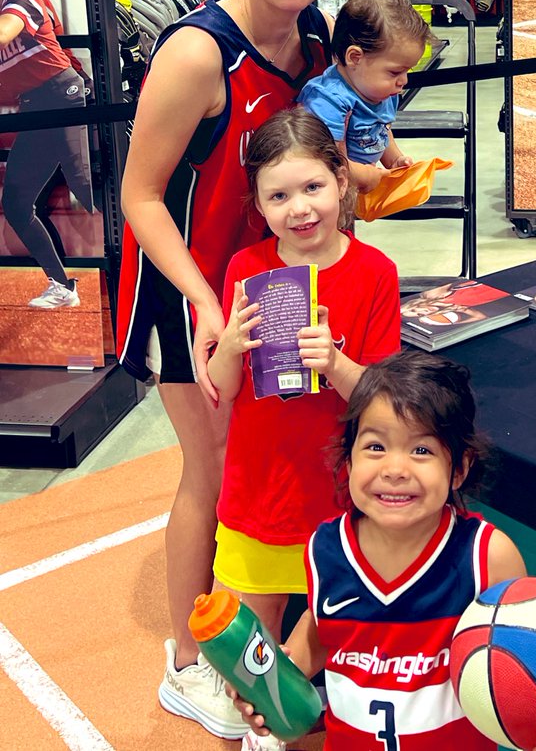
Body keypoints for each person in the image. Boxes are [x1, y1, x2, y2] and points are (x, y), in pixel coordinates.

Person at [115, 0, 342, 738]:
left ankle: (258, 637)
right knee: (212, 472)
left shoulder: (312, 37)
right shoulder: (197, 52)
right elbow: (138, 195)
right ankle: (184, 661)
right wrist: (207, 300)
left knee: (272, 450)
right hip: (186, 289)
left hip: (270, 279)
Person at [232, 351, 536, 751]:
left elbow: (523, 658)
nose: (395, 469)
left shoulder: (486, 556)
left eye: (421, 451)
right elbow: (320, 630)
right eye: (375, 447)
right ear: (348, 459)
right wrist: (270, 688)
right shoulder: (325, 549)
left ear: (461, 469)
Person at [207, 109, 401, 739]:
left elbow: (385, 400)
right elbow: (226, 391)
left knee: (326, 638)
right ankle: (261, 729)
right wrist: (231, 346)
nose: (299, 208)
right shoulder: (245, 269)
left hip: (338, 497)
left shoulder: (375, 273)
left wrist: (337, 364)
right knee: (247, 644)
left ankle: (313, 724)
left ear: (341, 180)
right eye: (279, 195)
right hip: (260, 485)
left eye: (313, 187)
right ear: (258, 203)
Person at [0, 0, 95, 309]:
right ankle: (62, 286)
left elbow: (6, 32)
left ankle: (146, 265)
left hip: (63, 95)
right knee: (18, 202)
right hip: (35, 106)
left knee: (85, 186)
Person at [298, 0, 429, 194]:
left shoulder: (380, 90)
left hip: (353, 191)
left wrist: (394, 160)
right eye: (395, 72)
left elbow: (380, 131)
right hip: (323, 194)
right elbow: (329, 161)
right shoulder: (329, 100)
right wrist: (364, 175)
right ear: (355, 58)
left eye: (407, 71)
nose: (403, 81)